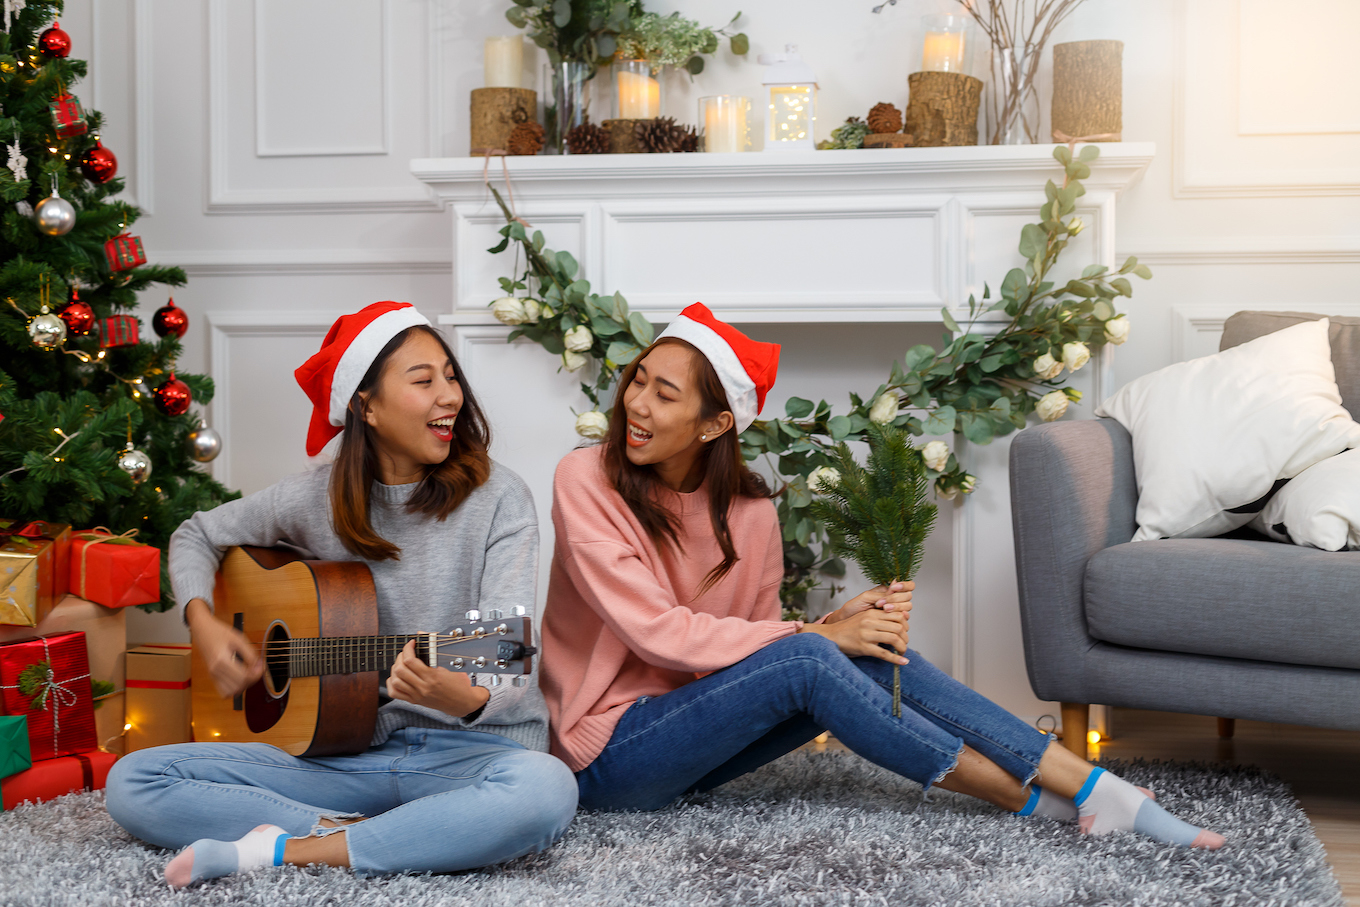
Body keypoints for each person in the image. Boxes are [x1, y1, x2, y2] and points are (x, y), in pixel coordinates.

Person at [539, 302, 1223, 849]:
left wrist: (840, 629)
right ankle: (1049, 797)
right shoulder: (585, 479)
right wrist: (819, 634)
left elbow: (747, 643)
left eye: (664, 393)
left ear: (718, 423)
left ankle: (1091, 786)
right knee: (814, 653)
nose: (636, 402)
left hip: (695, 740)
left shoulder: (749, 512)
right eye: (638, 379)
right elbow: (659, 634)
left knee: (865, 649)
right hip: (603, 755)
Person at [105, 302, 577, 888]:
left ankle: (287, 850)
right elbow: (197, 533)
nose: (449, 395)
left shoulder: (500, 496)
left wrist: (464, 697)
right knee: (133, 780)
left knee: (548, 790)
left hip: (474, 756)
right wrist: (202, 621)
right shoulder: (313, 499)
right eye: (423, 380)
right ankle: (401, 833)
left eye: (451, 375)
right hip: (340, 758)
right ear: (366, 404)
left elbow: (508, 657)